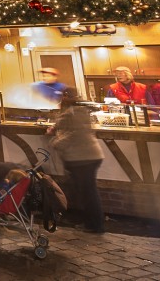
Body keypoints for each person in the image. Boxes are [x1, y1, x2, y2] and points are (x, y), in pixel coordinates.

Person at [49, 88, 105, 233]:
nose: (63, 99)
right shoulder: (75, 110)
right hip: (84, 157)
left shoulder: (76, 111)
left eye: (65, 96)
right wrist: (56, 128)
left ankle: (95, 225)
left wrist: (56, 143)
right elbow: (70, 127)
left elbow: (77, 133)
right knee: (86, 191)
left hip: (84, 158)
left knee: (88, 192)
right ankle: (92, 223)